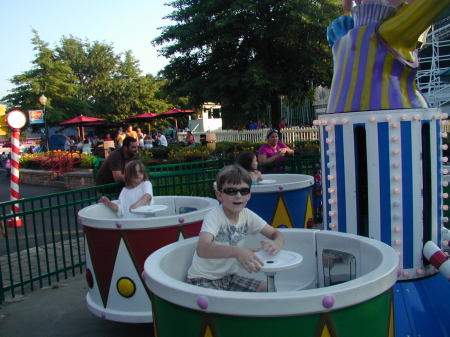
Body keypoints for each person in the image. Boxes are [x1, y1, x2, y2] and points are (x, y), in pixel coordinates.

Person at [186, 165, 284, 292]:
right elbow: (202, 248)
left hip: (229, 278)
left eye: (244, 191)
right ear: (219, 195)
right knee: (222, 306)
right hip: (203, 279)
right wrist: (238, 252)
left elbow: (275, 233)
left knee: (269, 289)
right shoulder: (215, 216)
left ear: (249, 195)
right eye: (231, 191)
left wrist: (277, 243)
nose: (238, 196)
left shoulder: (247, 215)